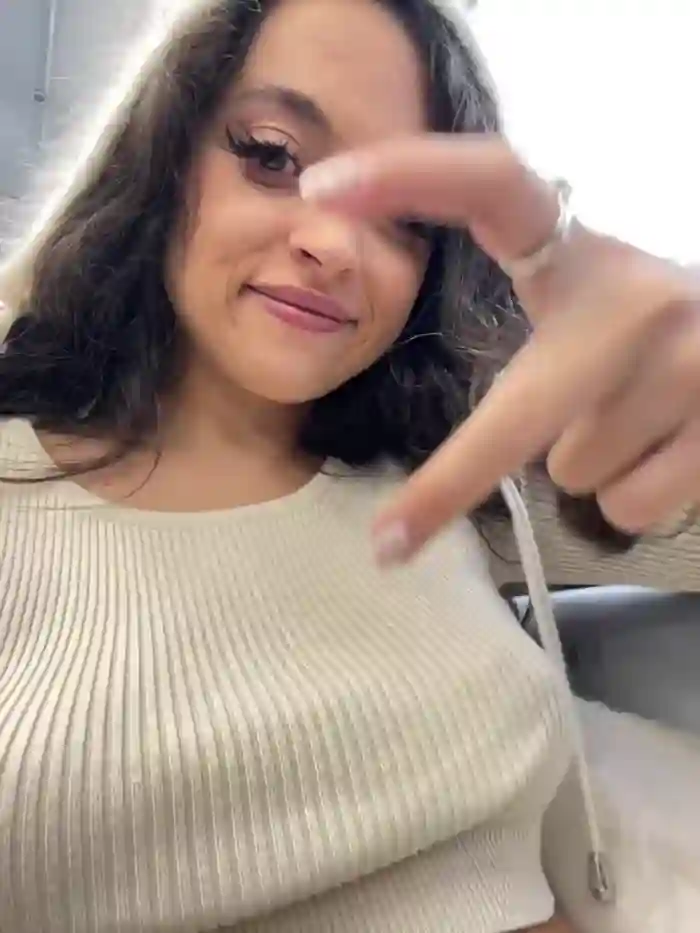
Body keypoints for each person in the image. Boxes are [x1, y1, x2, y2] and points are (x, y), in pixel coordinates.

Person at [0, 1, 699, 931]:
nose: (333, 246)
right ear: (161, 157)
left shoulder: (458, 463)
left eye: (405, 217)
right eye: (272, 156)